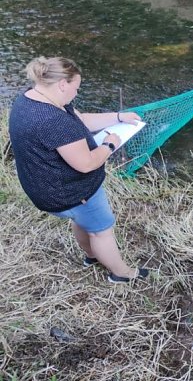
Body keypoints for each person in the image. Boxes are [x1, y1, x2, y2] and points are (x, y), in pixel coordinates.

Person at [8, 56, 148, 283]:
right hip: (71, 192)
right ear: (63, 84)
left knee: (82, 220)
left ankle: (92, 256)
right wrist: (109, 145)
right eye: (76, 88)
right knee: (101, 230)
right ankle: (122, 274)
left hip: (42, 187)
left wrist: (118, 117)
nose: (77, 93)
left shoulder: (30, 99)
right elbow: (86, 164)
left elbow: (80, 120)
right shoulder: (53, 120)